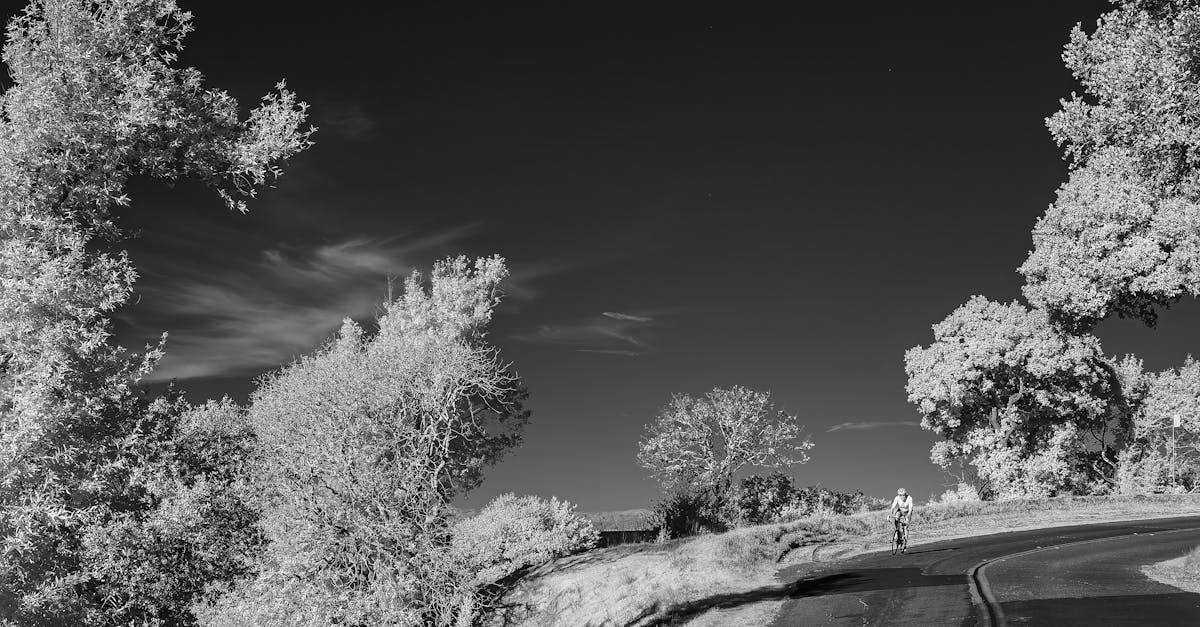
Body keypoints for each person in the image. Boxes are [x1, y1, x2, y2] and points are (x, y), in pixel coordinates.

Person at [890, 488, 914, 553]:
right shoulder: (897, 498)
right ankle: (897, 531)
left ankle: (905, 544)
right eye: (900, 495)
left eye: (903, 495)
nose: (902, 497)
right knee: (896, 517)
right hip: (900, 511)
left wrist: (907, 517)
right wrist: (890, 514)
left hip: (907, 512)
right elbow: (893, 506)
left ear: (905, 494)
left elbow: (911, 508)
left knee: (906, 528)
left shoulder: (909, 498)